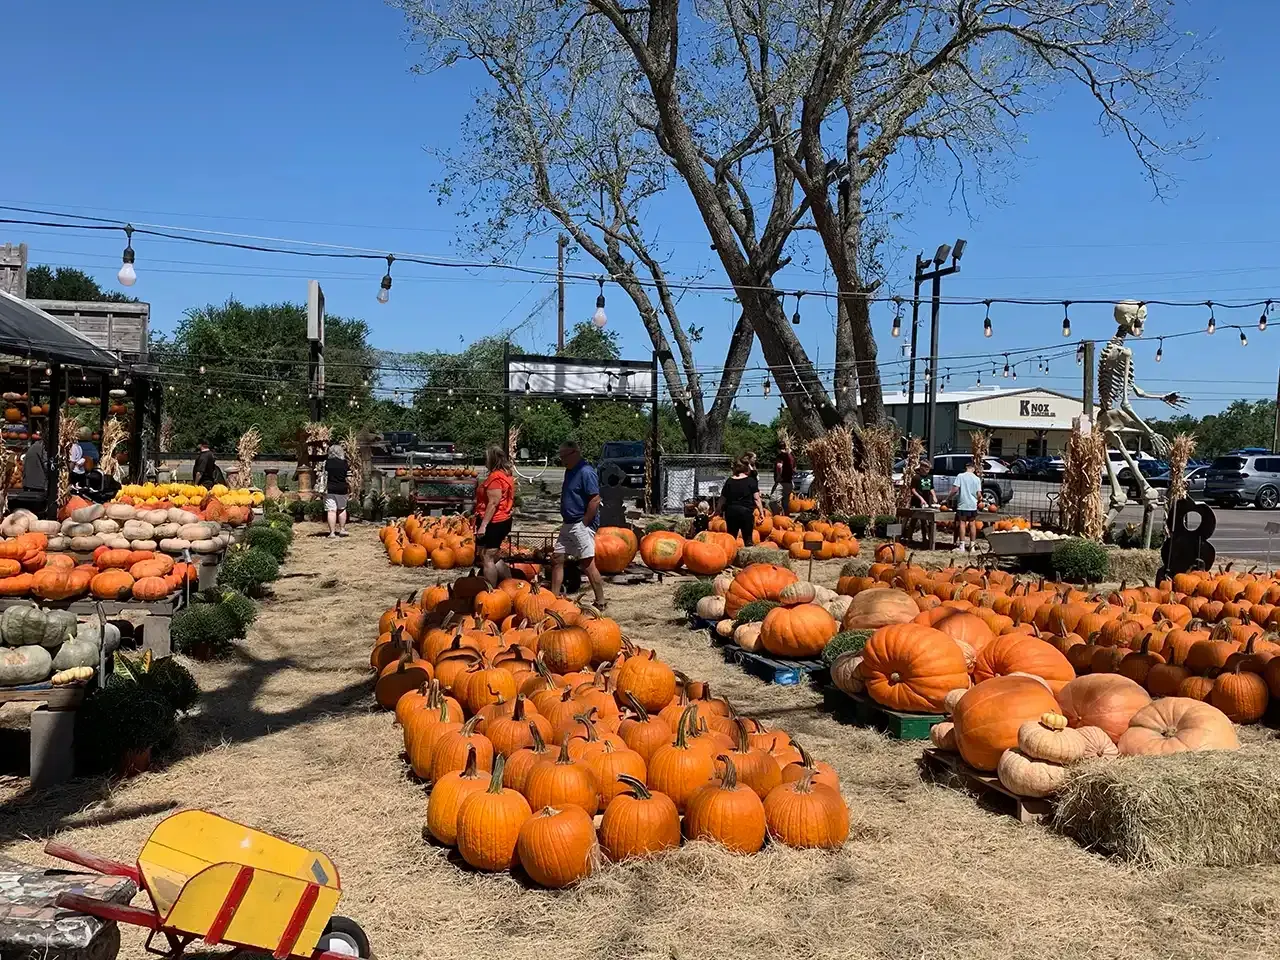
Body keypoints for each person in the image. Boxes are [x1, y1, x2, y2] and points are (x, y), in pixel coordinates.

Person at [550, 440, 605, 608]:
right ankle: (553, 597)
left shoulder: (586, 472)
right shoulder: (569, 470)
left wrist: (585, 523)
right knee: (557, 558)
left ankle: (600, 601)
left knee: (587, 564)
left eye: (564, 456)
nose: (562, 460)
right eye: (560, 456)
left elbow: (595, 499)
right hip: (568, 523)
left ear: (575, 453)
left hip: (581, 523)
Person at [475, 445, 516, 587]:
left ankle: (490, 591)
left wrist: (483, 525)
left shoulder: (495, 479)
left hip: (495, 522)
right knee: (492, 556)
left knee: (487, 557)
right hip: (501, 519)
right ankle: (510, 584)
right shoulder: (505, 474)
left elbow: (493, 503)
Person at [716, 453, 764, 546]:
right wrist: (761, 512)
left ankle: (731, 555)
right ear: (746, 468)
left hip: (731, 512)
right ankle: (748, 550)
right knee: (748, 538)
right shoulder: (751, 481)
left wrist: (718, 510)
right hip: (746, 512)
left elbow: (723, 498)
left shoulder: (729, 481)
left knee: (731, 538)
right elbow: (756, 498)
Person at [948, 459, 983, 552]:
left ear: (966, 468)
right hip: (972, 505)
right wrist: (979, 500)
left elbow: (955, 489)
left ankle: (962, 546)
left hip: (963, 503)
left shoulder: (960, 476)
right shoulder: (977, 479)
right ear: (973, 468)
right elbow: (979, 494)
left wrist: (948, 498)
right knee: (972, 524)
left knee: (962, 523)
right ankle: (972, 546)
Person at [324, 443, 349, 538]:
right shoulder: (344, 463)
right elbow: (349, 478)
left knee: (331, 510)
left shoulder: (327, 463)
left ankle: (332, 533)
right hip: (342, 488)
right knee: (341, 509)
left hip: (329, 489)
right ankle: (342, 529)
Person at [770, 439, 796, 516]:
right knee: (785, 503)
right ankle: (786, 518)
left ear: (777, 448)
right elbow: (794, 469)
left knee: (773, 501)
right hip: (789, 482)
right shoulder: (791, 456)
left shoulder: (781, 456)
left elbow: (779, 466)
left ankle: (777, 517)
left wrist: (778, 477)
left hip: (781, 482)